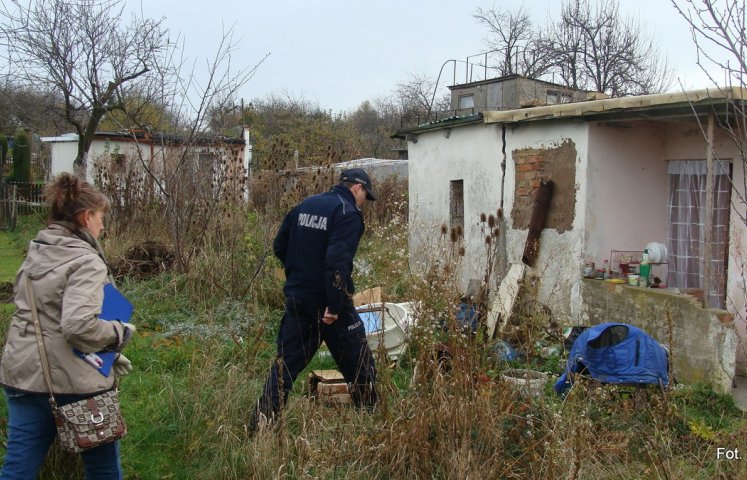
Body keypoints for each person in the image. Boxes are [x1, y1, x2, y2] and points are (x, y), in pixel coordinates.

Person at [0, 173, 136, 480]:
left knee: (18, 470)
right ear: (86, 217)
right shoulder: (85, 261)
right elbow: (77, 325)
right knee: (103, 471)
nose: (103, 226)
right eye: (101, 217)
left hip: (24, 375)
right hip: (76, 384)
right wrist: (118, 335)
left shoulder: (38, 250)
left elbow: (39, 315)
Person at [250, 168, 378, 432]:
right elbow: (337, 262)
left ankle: (261, 425)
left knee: (285, 366)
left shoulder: (306, 204)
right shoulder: (347, 213)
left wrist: (300, 273)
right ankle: (372, 421)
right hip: (332, 307)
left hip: (298, 298)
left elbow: (279, 246)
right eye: (366, 195)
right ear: (358, 188)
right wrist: (333, 304)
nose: (365, 201)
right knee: (361, 364)